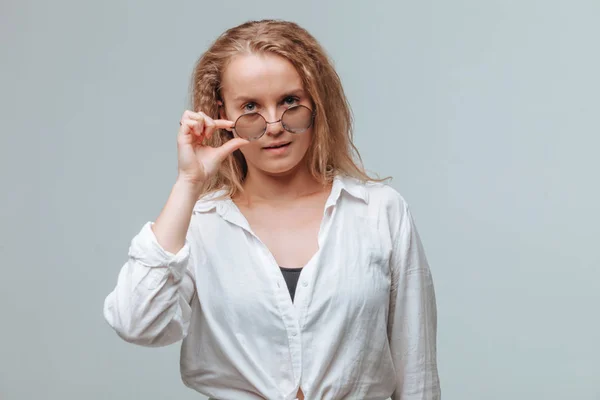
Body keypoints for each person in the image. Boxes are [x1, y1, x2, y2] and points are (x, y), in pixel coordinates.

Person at [103, 19, 440, 400]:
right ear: (222, 114)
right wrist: (188, 184)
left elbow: (417, 374)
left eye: (290, 102)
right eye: (250, 107)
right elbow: (137, 323)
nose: (275, 125)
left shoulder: (380, 212)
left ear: (317, 102)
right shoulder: (198, 225)